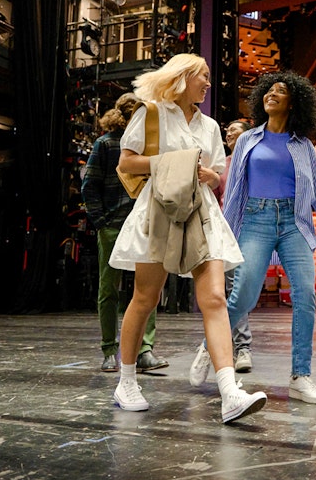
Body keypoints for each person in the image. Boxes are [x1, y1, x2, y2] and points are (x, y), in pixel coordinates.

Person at [109, 53, 267, 423]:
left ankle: (229, 392)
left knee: (213, 297)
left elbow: (216, 174)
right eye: (204, 76)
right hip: (159, 208)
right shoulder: (151, 113)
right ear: (183, 77)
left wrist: (207, 175)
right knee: (145, 298)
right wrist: (173, 164)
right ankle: (126, 381)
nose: (209, 83)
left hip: (202, 211)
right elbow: (127, 162)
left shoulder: (211, 126)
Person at [192, 72, 316, 405]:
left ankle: (300, 376)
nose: (273, 95)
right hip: (255, 219)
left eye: (281, 92)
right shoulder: (249, 139)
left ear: (293, 102)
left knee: (305, 295)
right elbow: (234, 193)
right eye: (269, 91)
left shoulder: (302, 145)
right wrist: (224, 235)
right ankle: (210, 348)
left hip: (294, 223)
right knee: (244, 297)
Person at [80, 93, 167, 374]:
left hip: (143, 224)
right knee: (110, 289)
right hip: (114, 225)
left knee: (147, 289)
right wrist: (101, 221)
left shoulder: (148, 147)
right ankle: (109, 350)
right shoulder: (106, 144)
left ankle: (144, 351)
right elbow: (89, 186)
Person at [215, 118, 255, 373]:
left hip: (248, 234)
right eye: (227, 130)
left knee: (238, 291)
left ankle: (239, 347)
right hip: (223, 235)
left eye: (234, 130)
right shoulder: (221, 166)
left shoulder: (254, 163)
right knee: (225, 292)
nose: (228, 133)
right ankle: (236, 348)